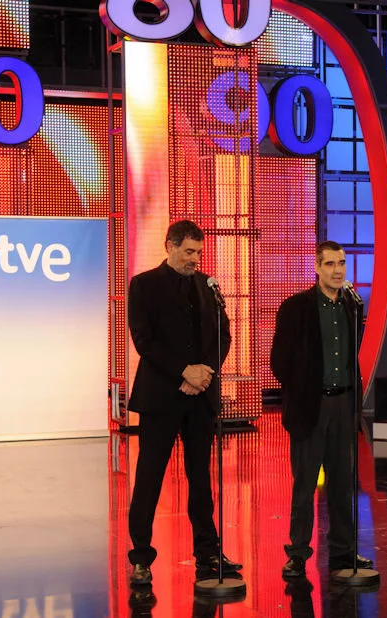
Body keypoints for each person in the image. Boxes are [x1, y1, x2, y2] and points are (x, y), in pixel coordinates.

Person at [126, 220, 241, 585]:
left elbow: (223, 335)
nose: (195, 259)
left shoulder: (208, 286)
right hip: (161, 397)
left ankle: (208, 551)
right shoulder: (144, 285)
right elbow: (144, 341)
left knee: (201, 478)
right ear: (170, 246)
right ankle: (141, 557)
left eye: (199, 252)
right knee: (150, 477)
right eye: (189, 251)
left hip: (200, 396)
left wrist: (205, 372)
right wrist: (184, 371)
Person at [271, 240, 374, 579]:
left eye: (341, 263)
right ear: (317, 268)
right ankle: (298, 553)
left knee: (343, 482)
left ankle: (343, 551)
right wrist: (302, 389)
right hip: (310, 405)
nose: (337, 270)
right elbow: (279, 362)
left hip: (343, 404)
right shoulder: (296, 307)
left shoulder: (352, 306)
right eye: (330, 264)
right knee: (305, 484)